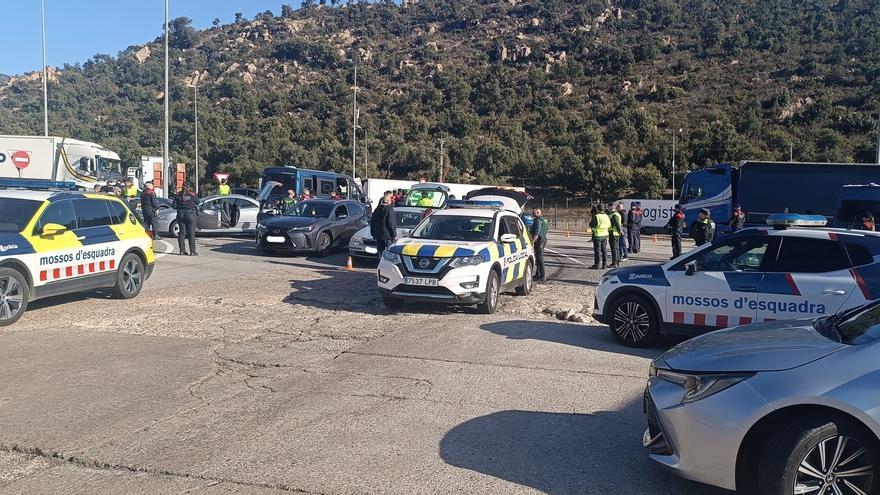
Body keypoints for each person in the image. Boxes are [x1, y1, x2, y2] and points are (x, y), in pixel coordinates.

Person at [174, 185, 199, 256]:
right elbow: (198, 202)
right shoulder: (192, 194)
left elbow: (174, 206)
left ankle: (182, 251)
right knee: (191, 233)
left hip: (180, 214)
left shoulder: (178, 194)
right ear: (189, 188)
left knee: (182, 233)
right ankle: (192, 251)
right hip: (190, 214)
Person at [529, 208, 549, 282]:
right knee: (538, 258)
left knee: (540, 259)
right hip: (544, 239)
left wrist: (533, 241)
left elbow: (537, 231)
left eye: (533, 212)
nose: (532, 214)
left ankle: (542, 276)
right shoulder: (544, 219)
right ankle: (538, 274)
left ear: (538, 212)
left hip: (539, 240)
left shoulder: (538, 220)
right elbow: (547, 228)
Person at [608, 203, 623, 267]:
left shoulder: (613, 215)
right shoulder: (616, 214)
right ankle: (617, 262)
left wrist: (620, 231)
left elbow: (617, 224)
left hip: (613, 233)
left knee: (614, 249)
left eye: (609, 207)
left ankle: (614, 263)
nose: (608, 208)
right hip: (615, 233)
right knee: (616, 248)